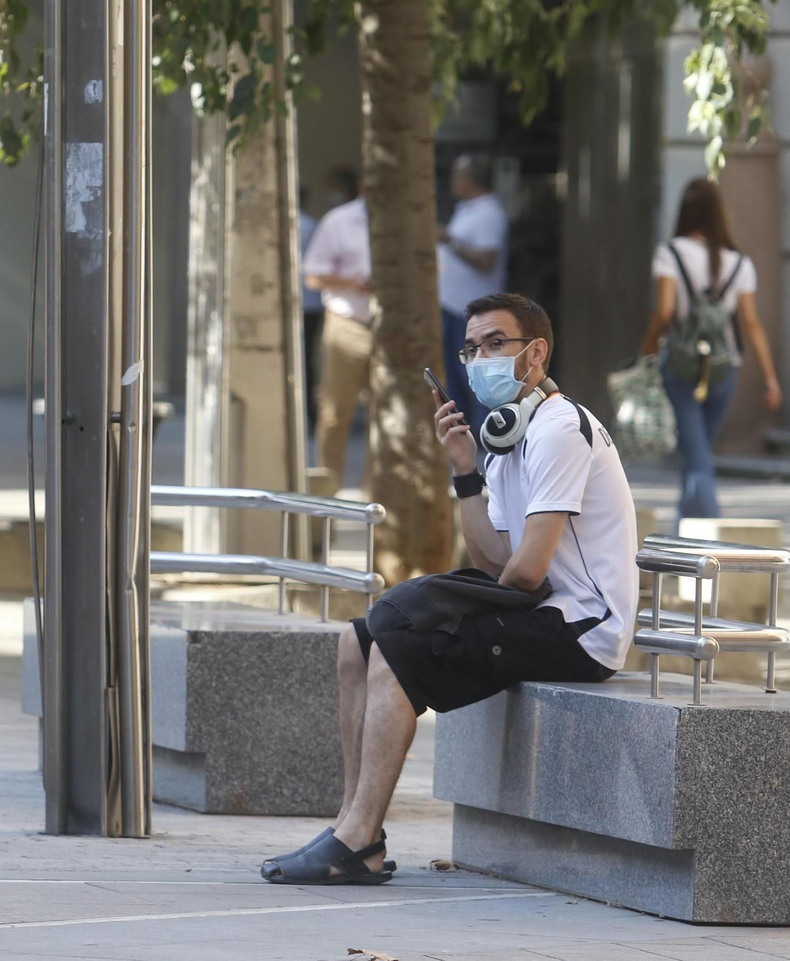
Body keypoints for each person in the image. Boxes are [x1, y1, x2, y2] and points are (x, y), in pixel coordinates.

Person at [262, 293, 637, 886]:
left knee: (399, 646)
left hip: (582, 628)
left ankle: (358, 840)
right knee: (357, 639)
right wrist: (464, 468)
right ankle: (350, 825)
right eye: (470, 348)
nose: (479, 358)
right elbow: (493, 563)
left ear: (535, 353)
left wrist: (448, 605)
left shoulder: (559, 431)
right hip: (539, 610)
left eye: (495, 343)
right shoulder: (510, 437)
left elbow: (527, 572)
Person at [638, 178, 782, 520]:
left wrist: (647, 351)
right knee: (697, 452)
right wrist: (770, 379)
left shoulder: (670, 253)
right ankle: (685, 532)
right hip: (723, 368)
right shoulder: (739, 262)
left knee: (697, 456)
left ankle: (705, 535)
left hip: (682, 367)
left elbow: (664, 312)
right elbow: (751, 323)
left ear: (685, 212)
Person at [302, 166, 371, 496]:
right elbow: (313, 276)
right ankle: (326, 497)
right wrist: (353, 283)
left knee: (391, 420)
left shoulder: (406, 221)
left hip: (393, 327)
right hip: (347, 323)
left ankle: (378, 498)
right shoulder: (338, 221)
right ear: (363, 186)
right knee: (334, 415)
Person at [438, 154, 510, 428]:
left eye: (457, 175)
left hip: (473, 311)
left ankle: (486, 437)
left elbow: (486, 260)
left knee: (475, 375)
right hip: (454, 307)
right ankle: (464, 433)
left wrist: (450, 242)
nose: (452, 182)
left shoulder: (489, 212)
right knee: (456, 376)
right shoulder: (466, 208)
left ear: (470, 179)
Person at [298, 185, 322, 436]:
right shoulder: (311, 225)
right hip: (311, 304)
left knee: (303, 362)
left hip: (304, 304)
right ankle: (310, 417)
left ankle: (308, 416)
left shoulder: (303, 226)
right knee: (307, 362)